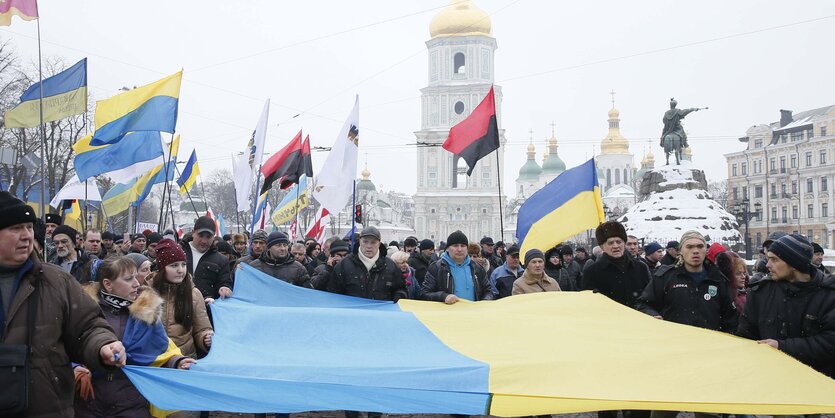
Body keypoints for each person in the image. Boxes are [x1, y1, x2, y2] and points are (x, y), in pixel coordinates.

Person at [0, 191, 124, 416]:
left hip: (46, 407)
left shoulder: (57, 281)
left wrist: (103, 345)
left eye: (29, 227)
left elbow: (88, 327)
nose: (27, 235)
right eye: (16, 228)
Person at [75, 257, 194, 417]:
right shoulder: (84, 311)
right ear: (108, 284)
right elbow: (62, 347)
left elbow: (161, 351)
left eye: (135, 277)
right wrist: (75, 368)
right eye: (128, 279)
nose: (137, 284)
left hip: (132, 403)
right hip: (89, 403)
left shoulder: (147, 313)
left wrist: (176, 362)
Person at [737, 233, 834, 379]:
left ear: (794, 263)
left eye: (774, 260)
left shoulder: (829, 294)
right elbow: (745, 337)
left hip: (817, 383)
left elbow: (830, 343)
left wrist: (782, 347)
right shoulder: (760, 292)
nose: (767, 265)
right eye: (768, 259)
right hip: (770, 380)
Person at [637, 230, 738, 334]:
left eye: (700, 246)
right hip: (674, 342)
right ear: (680, 251)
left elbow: (730, 318)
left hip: (709, 344)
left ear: (706, 250)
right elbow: (644, 304)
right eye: (689, 247)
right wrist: (653, 315)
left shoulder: (718, 279)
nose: (695, 251)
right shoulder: (665, 277)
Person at [147, 239, 214, 359]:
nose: (180, 270)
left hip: (184, 360)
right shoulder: (147, 292)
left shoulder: (193, 293)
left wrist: (206, 338)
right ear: (162, 268)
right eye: (174, 265)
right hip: (153, 361)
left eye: (183, 264)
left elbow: (202, 328)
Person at [325, 227, 407, 301]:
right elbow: (333, 293)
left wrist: (398, 297)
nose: (369, 246)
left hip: (381, 315)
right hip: (351, 315)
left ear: (379, 243)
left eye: (373, 242)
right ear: (360, 242)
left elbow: (401, 289)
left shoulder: (390, 266)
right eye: (365, 242)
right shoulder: (343, 265)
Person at [582, 221, 651, 310]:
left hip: (638, 320)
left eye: (619, 242)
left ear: (624, 243)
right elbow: (589, 304)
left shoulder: (641, 268)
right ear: (602, 247)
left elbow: (649, 298)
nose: (615, 246)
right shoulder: (591, 272)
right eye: (610, 243)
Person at [423, 230, 495, 304]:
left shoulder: (477, 268)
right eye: (455, 246)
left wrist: (485, 301)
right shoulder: (436, 268)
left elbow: (488, 291)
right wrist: (443, 297)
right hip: (447, 313)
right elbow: (425, 294)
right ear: (447, 248)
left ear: (467, 248)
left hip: (473, 313)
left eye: (463, 246)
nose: (459, 249)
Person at [181, 216, 232, 301]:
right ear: (193, 232)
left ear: (214, 237)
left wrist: (224, 288)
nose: (204, 241)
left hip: (206, 308)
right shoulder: (178, 252)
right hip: (178, 305)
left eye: (208, 237)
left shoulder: (222, 260)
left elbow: (224, 282)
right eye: (200, 235)